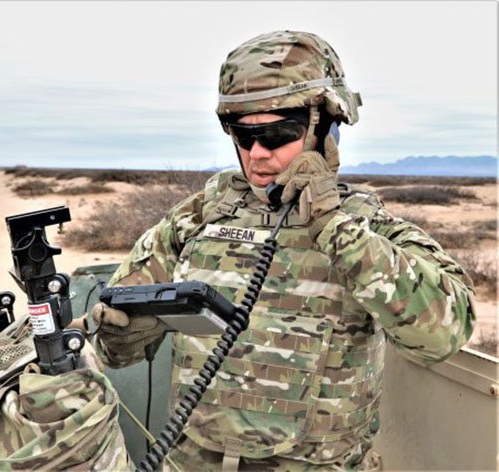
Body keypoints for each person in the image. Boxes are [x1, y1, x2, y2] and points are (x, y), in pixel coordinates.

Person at [91, 30, 476, 471]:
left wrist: (333, 228)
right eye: (242, 135)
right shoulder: (194, 220)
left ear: (325, 130)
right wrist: (120, 336)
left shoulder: (365, 229)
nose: (257, 155)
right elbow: (113, 346)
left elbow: (445, 332)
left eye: (278, 135)